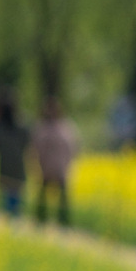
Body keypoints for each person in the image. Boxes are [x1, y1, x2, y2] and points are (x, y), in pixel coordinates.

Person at [32, 95, 80, 226]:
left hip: (47, 168)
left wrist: (39, 165)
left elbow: (37, 149)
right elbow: (74, 149)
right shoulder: (67, 128)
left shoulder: (43, 129)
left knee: (44, 197)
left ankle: (42, 220)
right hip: (61, 168)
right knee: (62, 199)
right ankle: (63, 222)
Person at [0, 97, 30, 218]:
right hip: (18, 163)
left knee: (7, 194)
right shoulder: (21, 127)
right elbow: (27, 142)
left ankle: (10, 216)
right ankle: (15, 216)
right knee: (16, 193)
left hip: (5, 164)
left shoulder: (0, 128)